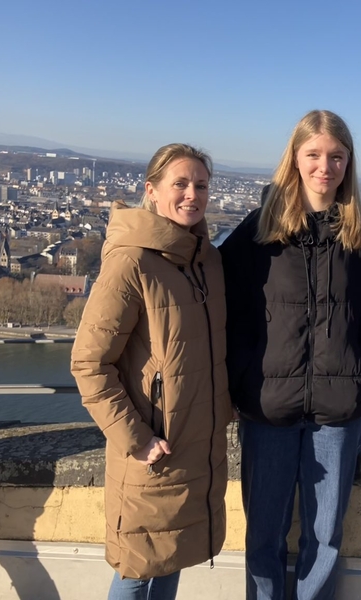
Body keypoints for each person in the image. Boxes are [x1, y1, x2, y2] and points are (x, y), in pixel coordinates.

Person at [219, 109, 361, 600]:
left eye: (336, 156)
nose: (325, 166)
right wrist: (239, 378)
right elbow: (224, 309)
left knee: (325, 538)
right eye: (313, 154)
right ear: (294, 159)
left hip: (339, 411)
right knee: (263, 537)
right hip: (267, 407)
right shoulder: (258, 232)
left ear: (349, 163)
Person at [70, 143, 232, 600]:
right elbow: (89, 362)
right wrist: (137, 438)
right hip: (153, 451)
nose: (192, 194)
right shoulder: (131, 262)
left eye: (201, 185)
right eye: (180, 183)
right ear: (152, 190)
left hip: (194, 448)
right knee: (137, 570)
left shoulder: (207, 262)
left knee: (170, 558)